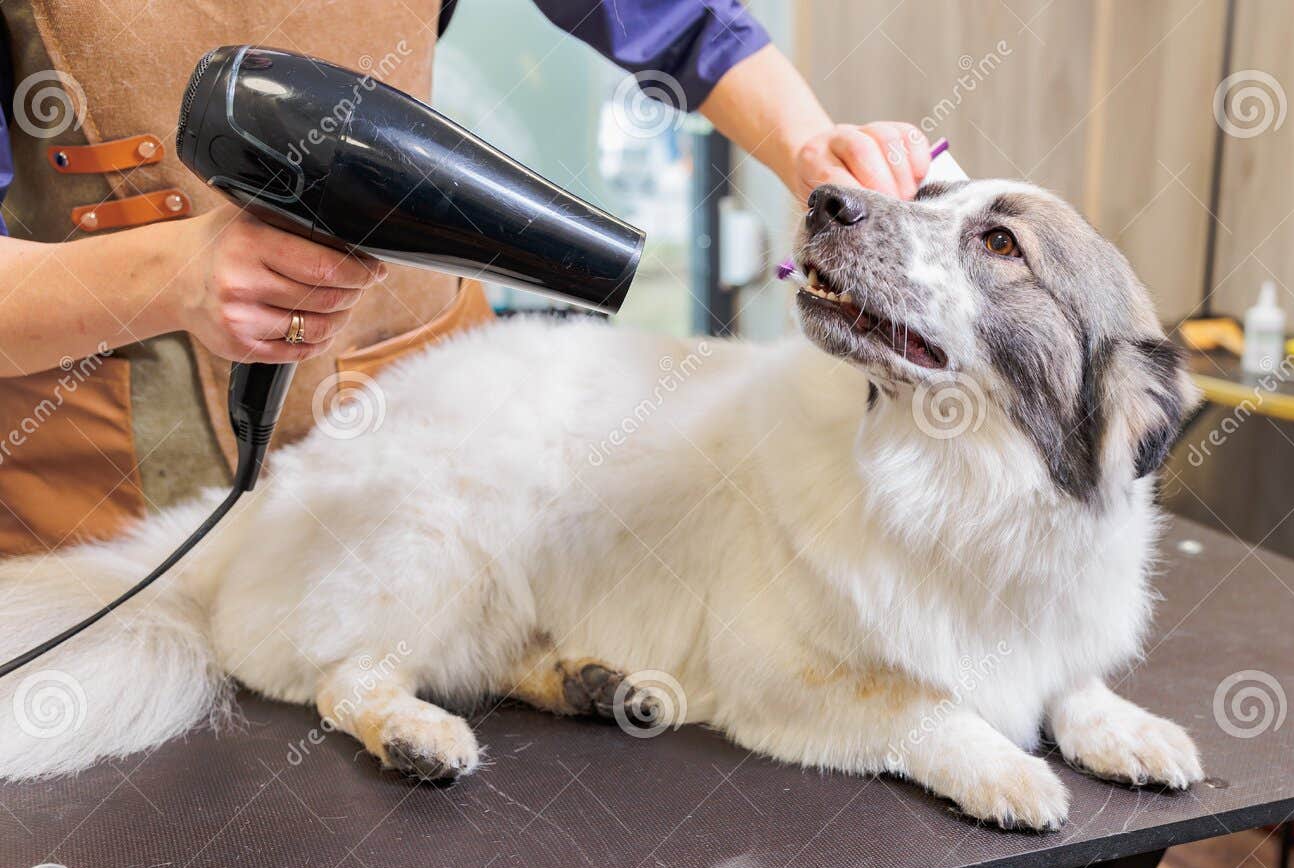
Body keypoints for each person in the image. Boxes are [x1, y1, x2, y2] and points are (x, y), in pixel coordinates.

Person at [0, 0, 930, 555]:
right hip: (102, 478)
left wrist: (808, 146)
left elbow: (679, 20)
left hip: (413, 420)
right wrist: (169, 273)